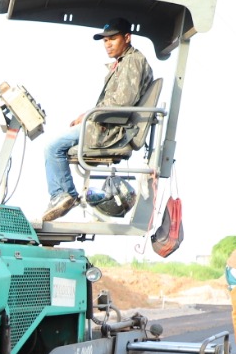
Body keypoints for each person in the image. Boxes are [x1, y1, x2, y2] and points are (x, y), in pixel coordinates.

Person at [39, 17, 153, 223]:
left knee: (53, 147)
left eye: (113, 39)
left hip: (112, 130)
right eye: (105, 40)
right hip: (105, 124)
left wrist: (87, 116)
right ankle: (65, 195)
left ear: (127, 38)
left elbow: (121, 102)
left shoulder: (133, 62)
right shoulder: (124, 62)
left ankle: (63, 195)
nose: (107, 44)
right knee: (55, 144)